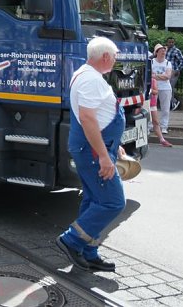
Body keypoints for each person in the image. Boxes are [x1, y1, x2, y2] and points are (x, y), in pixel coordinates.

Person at [55, 36, 126, 273]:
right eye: (115, 56)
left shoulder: (86, 75)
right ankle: (72, 240)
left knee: (94, 200)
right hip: (94, 152)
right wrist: (105, 156)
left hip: (95, 148)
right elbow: (87, 119)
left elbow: (97, 117)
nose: (115, 60)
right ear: (105, 56)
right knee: (113, 202)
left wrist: (114, 145)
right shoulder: (91, 79)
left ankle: (88, 251)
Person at [149, 44, 173, 146]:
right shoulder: (151, 62)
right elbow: (149, 75)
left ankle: (164, 126)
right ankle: (150, 126)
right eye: (161, 51)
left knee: (165, 108)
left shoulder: (168, 63)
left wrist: (155, 76)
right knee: (151, 108)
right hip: (153, 88)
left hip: (165, 88)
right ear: (156, 52)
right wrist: (159, 76)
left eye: (164, 51)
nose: (163, 52)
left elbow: (167, 76)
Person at [164, 37, 183, 111]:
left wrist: (177, 69)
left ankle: (173, 102)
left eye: (172, 42)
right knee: (166, 87)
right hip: (165, 71)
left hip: (173, 71)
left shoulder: (176, 51)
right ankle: (171, 102)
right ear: (167, 42)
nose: (171, 44)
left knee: (170, 87)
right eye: (169, 42)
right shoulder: (165, 50)